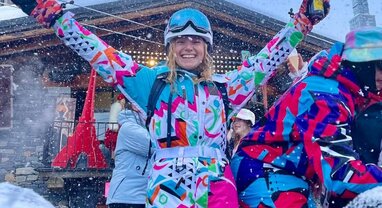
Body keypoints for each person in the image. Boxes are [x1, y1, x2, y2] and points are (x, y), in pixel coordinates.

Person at [10, 0, 330, 206]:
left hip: (217, 188)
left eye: (196, 40)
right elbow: (97, 51)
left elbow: (266, 60)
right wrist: (53, 16)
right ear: (170, 45)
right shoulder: (151, 84)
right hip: (167, 189)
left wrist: (301, 24)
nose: (188, 46)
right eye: (180, 40)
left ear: (206, 47)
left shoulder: (226, 88)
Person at [231, 27, 382, 208]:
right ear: (363, 62)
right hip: (265, 169)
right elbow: (339, 173)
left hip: (288, 173)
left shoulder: (344, 91)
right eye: (381, 65)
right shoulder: (328, 97)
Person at [106, 100, 150, 208]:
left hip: (141, 196)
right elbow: (154, 145)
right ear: (135, 106)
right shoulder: (129, 128)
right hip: (127, 197)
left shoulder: (147, 127)